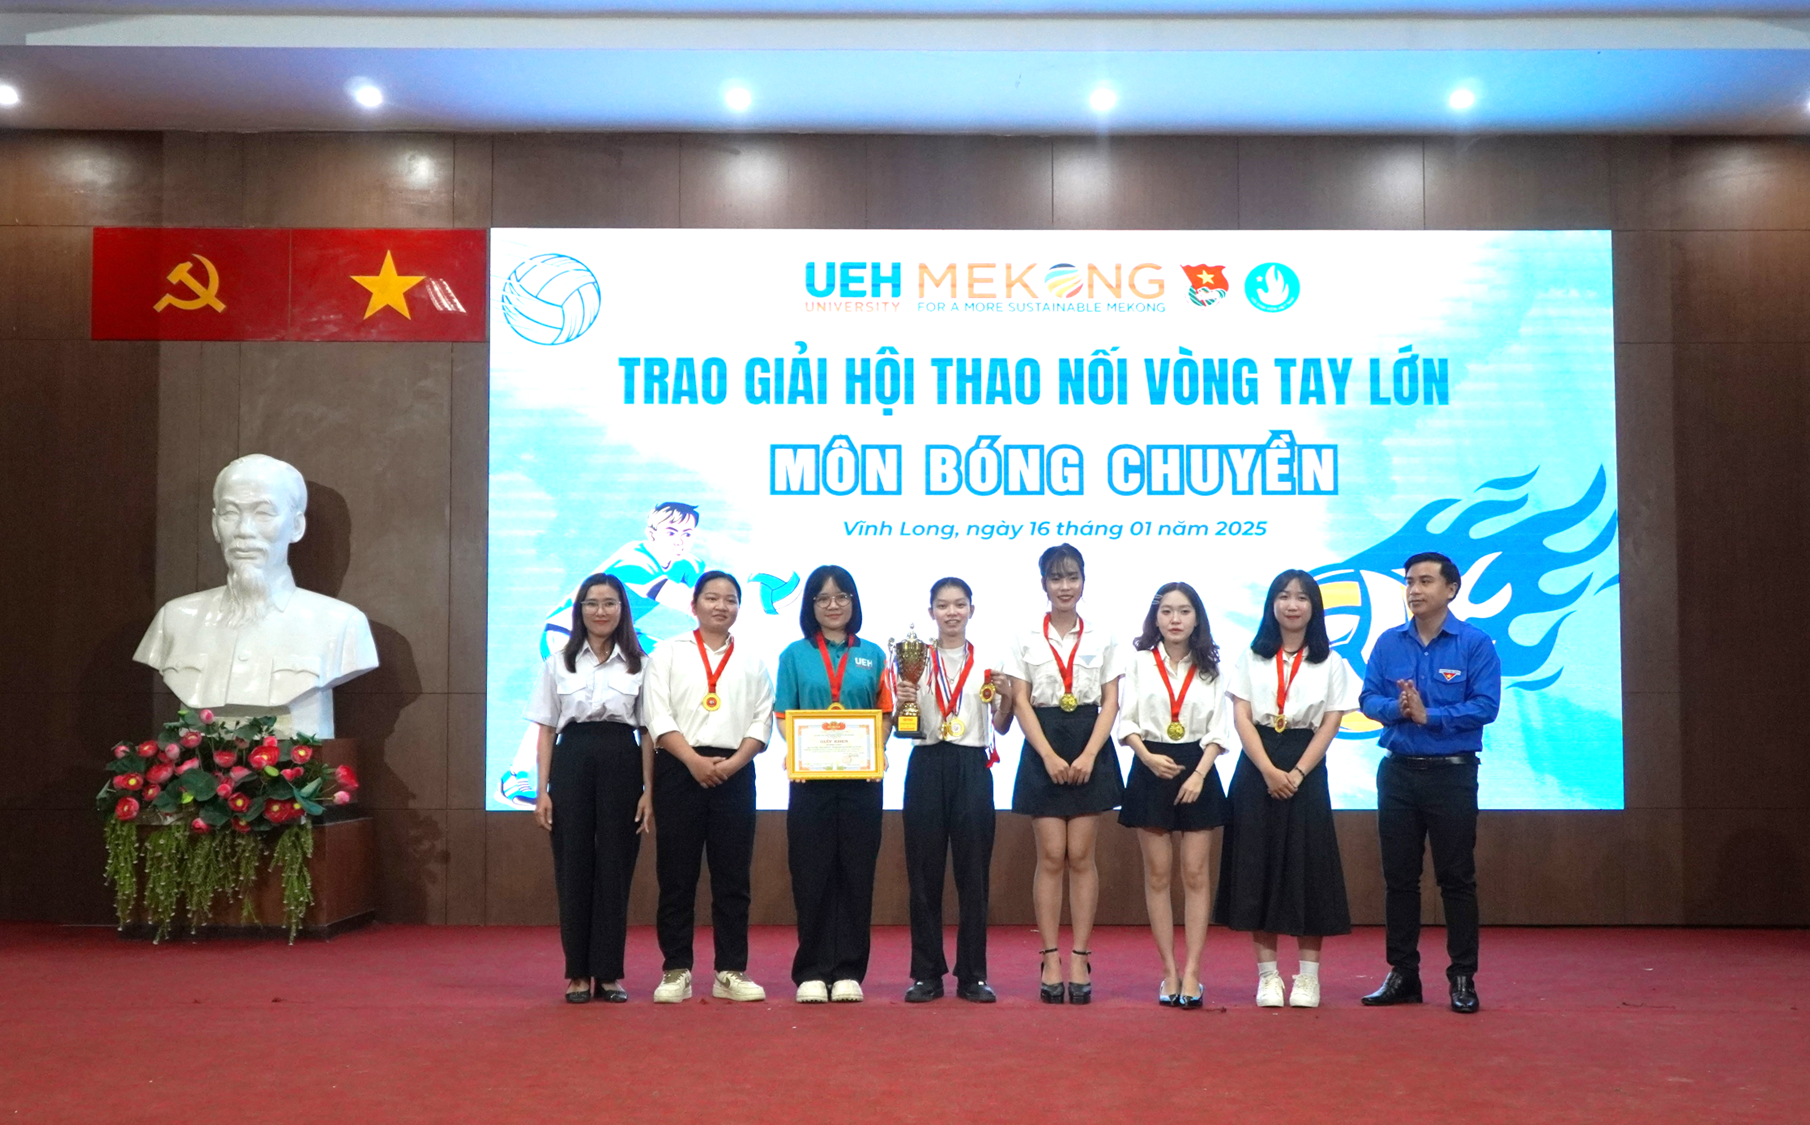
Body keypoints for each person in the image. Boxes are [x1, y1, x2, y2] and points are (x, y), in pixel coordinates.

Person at [134, 453, 379, 738]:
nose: (243, 531)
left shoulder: (341, 625)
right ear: (215, 525)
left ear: (296, 526)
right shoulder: (175, 619)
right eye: (230, 513)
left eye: (263, 513)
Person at [1358, 552, 1501, 1015]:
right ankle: (1403, 974)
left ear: (1451, 589)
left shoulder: (1475, 644)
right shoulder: (1388, 642)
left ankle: (1462, 977)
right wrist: (1396, 709)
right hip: (1398, 772)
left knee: (1456, 879)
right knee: (1399, 879)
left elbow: (1486, 706)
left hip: (1452, 774)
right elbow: (1367, 697)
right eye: (1409, 582)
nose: (1414, 590)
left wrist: (1430, 715)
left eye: (1425, 581)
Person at [1214, 569, 1358, 1009]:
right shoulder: (1251, 657)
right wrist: (1268, 771)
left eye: (1301, 597)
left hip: (1306, 765)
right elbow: (1241, 716)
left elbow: (1331, 722)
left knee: (1308, 867)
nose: (1292, 605)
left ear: (1314, 607)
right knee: (1257, 867)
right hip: (1257, 766)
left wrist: (1296, 773)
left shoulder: (1331, 661)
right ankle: (1268, 976)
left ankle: (1308, 978)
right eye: (1283, 596)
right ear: (1271, 604)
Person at [500, 501, 703, 807]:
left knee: (676, 664)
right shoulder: (634, 559)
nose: (679, 540)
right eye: (671, 531)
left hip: (618, 634)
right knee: (558, 704)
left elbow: (703, 604)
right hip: (568, 632)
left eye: (687, 533)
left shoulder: (690, 564)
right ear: (652, 533)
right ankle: (514, 777)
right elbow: (686, 601)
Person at [639, 570, 775, 1005]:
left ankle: (730, 970)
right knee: (676, 876)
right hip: (679, 768)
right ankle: (676, 969)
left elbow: (762, 719)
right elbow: (657, 715)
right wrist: (693, 761)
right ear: (694, 604)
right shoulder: (667, 653)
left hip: (735, 772)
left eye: (730, 599)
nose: (721, 606)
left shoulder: (752, 659)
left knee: (733, 878)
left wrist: (733, 764)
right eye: (712, 598)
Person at [1004, 543, 1126, 1005]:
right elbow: (1020, 700)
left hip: (1089, 740)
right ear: (1043, 584)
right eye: (1056, 578)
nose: (1065, 586)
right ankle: (1050, 957)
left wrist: (1091, 754)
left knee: (1082, 855)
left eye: (1072, 577)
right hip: (1044, 742)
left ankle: (1080, 956)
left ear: (1083, 581)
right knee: (1052, 854)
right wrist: (1049, 756)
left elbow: (1111, 701)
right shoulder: (1023, 636)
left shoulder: (1102, 635)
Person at [526, 573, 649, 1004]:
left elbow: (648, 733)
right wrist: (542, 790)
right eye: (592, 603)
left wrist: (649, 791)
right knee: (573, 865)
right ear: (579, 611)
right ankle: (577, 972)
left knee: (616, 867)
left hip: (622, 758)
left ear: (622, 610)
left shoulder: (640, 662)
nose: (601, 611)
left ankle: (609, 973)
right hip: (573, 758)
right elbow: (545, 730)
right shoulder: (558, 662)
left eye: (610, 603)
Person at [893, 577, 1015, 1004]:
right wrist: (902, 702)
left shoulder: (989, 662)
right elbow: (903, 726)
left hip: (972, 765)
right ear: (931, 612)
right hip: (926, 763)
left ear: (971, 610)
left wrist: (1007, 699)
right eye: (943, 605)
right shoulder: (912, 658)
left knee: (973, 874)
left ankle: (973, 975)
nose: (951, 612)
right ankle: (926, 973)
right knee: (923, 874)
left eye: (959, 604)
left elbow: (1001, 726)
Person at [775, 565, 894, 1003]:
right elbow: (784, 715)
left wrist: (874, 748)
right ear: (811, 606)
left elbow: (885, 715)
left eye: (841, 596)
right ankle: (811, 969)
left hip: (862, 779)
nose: (832, 605)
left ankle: (848, 970)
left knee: (856, 873)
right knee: (811, 873)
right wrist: (804, 751)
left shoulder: (874, 654)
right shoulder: (794, 655)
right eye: (822, 598)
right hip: (811, 780)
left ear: (853, 602)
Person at [1117, 582, 1233, 1008]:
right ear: (1156, 617)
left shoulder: (1212, 668)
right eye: (1166, 611)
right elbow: (1126, 722)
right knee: (1158, 876)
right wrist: (1147, 758)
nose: (1175, 619)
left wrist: (1200, 774)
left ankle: (1193, 971)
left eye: (1184, 611)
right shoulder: (1139, 662)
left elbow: (1220, 731)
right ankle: (1168, 970)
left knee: (1196, 874)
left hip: (1198, 769)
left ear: (1197, 617)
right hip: (1151, 766)